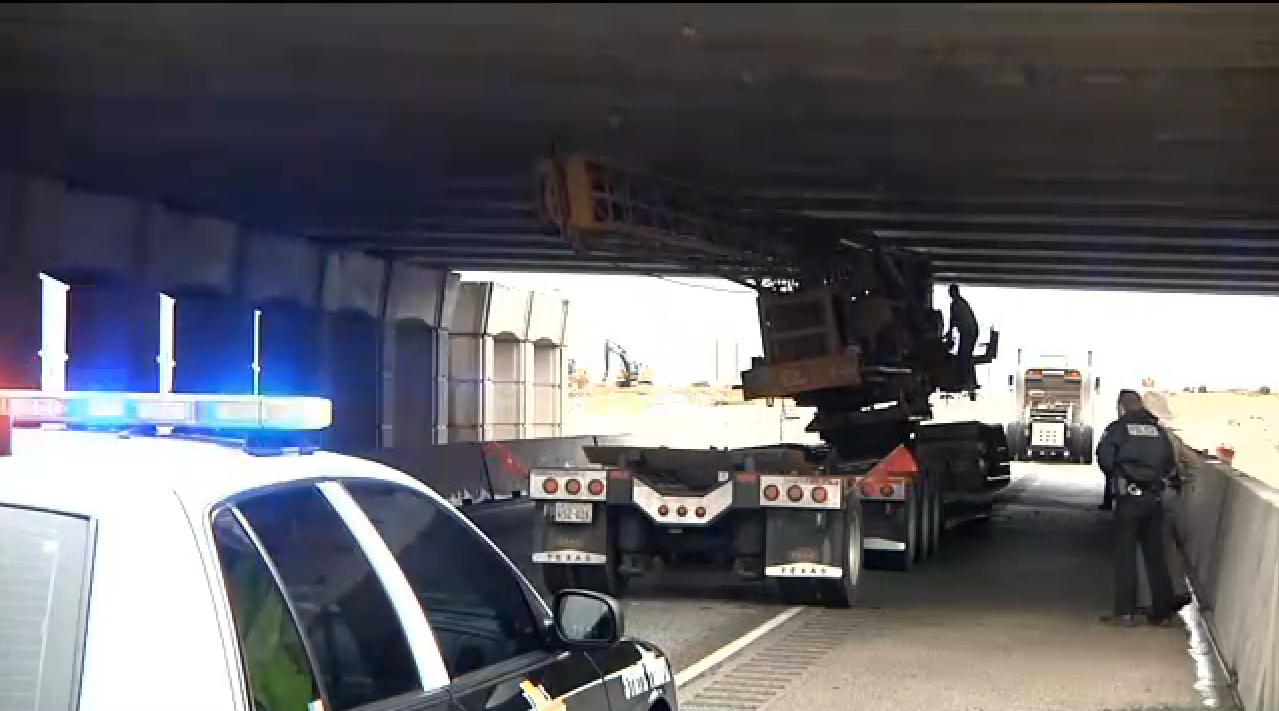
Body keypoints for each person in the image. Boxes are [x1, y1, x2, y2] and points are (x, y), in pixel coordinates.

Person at [1095, 389, 1181, 627]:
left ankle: (1125, 613)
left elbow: (1105, 459)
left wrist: (1119, 476)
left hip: (1129, 499)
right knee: (1155, 557)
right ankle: (1162, 614)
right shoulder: (1158, 431)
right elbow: (1170, 463)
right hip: (1154, 498)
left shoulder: (1117, 429)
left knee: (1126, 555)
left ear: (1121, 406)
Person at [946, 284, 979, 389]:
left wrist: (949, 334)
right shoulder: (962, 302)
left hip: (968, 332)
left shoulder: (956, 304)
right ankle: (968, 380)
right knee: (966, 355)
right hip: (970, 331)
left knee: (964, 355)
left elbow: (952, 320)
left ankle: (964, 380)